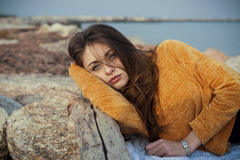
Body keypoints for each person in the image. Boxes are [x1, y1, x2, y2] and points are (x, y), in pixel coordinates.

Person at [67, 24, 240, 157]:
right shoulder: (122, 103)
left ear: (124, 48)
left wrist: (186, 145)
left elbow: (234, 88)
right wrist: (75, 69)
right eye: (95, 67)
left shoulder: (170, 52)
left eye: (112, 56)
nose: (107, 70)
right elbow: (118, 109)